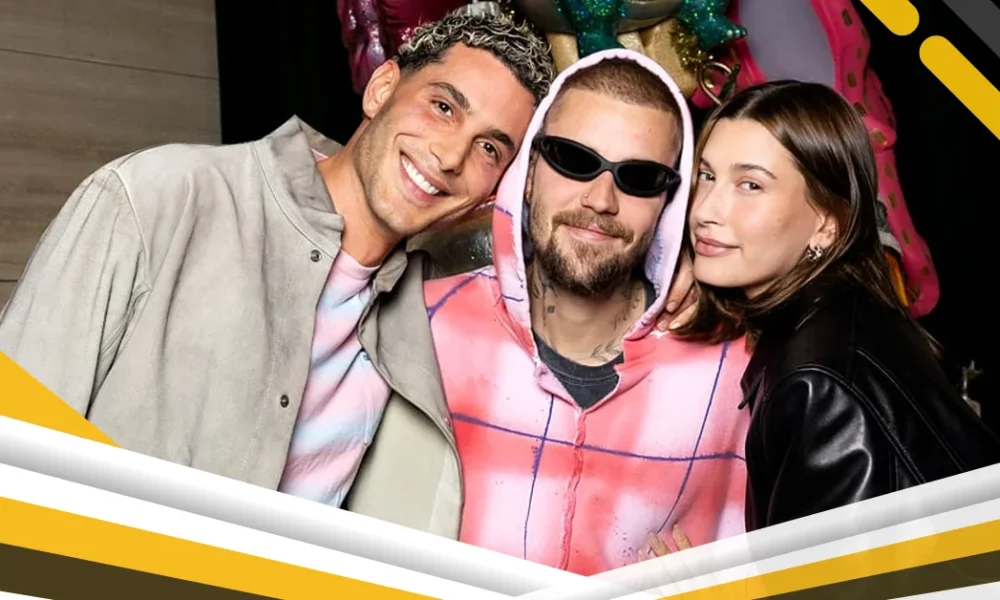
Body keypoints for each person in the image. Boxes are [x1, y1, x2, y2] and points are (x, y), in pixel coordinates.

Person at [0, 11, 554, 525]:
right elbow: (13, 448)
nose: (451, 156)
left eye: (489, 149)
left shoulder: (431, 310)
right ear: (382, 88)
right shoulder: (156, 198)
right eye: (443, 108)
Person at [405, 49, 752, 576]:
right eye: (573, 158)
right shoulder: (419, 329)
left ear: (669, 202)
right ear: (528, 172)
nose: (601, 199)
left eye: (640, 177)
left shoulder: (737, 376)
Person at [675, 80, 1000, 531]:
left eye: (750, 185)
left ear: (827, 224)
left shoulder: (820, 383)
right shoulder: (849, 311)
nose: (705, 210)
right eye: (707, 176)